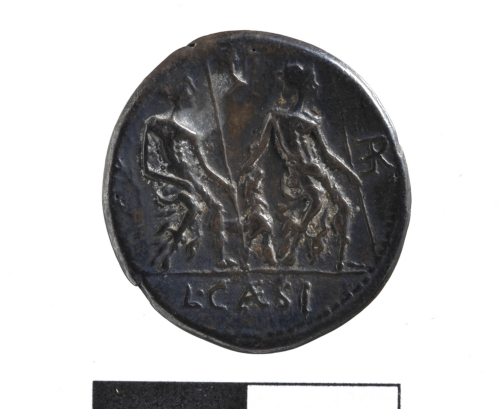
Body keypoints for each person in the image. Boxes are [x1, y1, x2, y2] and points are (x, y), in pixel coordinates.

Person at [239, 64, 362, 270]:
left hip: (306, 170)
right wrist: (350, 174)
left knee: (321, 203)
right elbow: (327, 156)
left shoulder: (283, 118)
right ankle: (338, 259)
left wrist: (247, 165)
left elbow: (261, 147)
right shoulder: (288, 118)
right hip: (307, 171)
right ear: (305, 87)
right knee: (338, 206)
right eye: (312, 84)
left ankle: (299, 250)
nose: (316, 86)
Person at [142, 78, 237, 270]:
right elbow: (147, 169)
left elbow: (204, 169)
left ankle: (220, 258)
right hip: (169, 184)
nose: (191, 98)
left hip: (191, 182)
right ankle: (167, 255)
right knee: (192, 207)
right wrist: (178, 182)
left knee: (217, 208)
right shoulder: (154, 125)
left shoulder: (189, 135)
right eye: (187, 93)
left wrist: (224, 183)